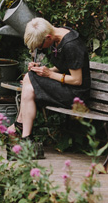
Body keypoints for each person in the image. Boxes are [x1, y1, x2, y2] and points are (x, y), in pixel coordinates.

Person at [15, 18, 91, 147]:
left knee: (29, 79)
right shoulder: (57, 37)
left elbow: (77, 80)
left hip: (76, 95)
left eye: (39, 45)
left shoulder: (71, 45)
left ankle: (20, 129)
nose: (40, 48)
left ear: (48, 37)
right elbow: (64, 67)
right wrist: (43, 71)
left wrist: (49, 74)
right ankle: (23, 134)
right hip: (65, 87)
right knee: (30, 78)